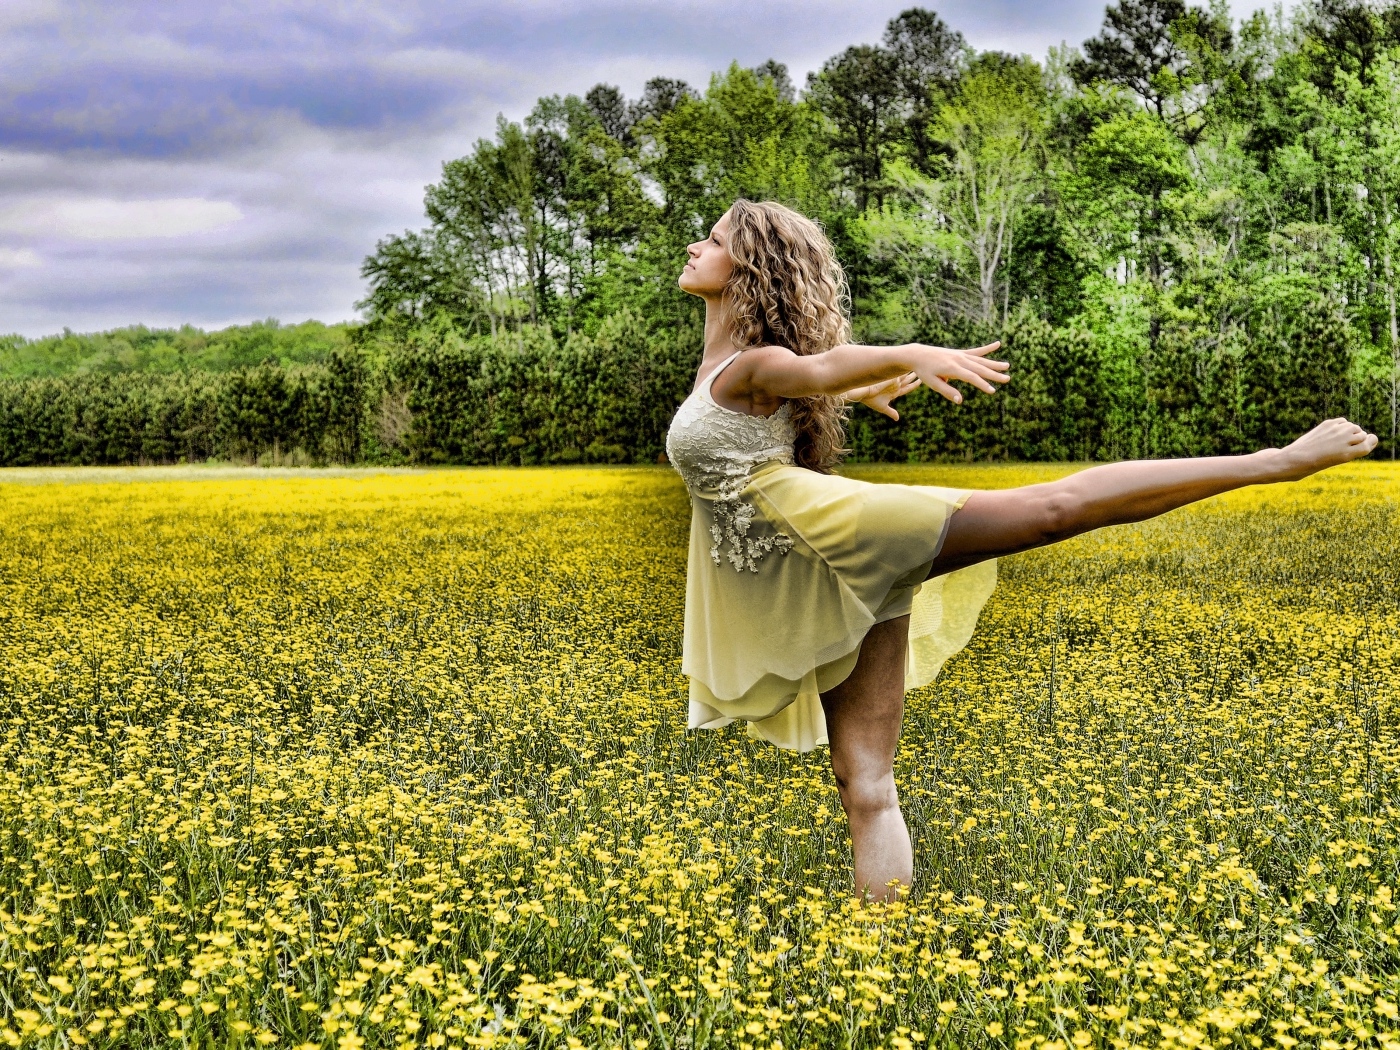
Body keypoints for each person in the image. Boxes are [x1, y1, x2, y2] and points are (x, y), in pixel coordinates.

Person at [664, 198, 1378, 905]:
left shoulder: (754, 364)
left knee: (1051, 509)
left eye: (715, 240)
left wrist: (904, 355)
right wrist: (874, 381)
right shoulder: (725, 367)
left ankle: (1273, 460)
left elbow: (820, 368)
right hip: (809, 571)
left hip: (829, 534)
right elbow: (813, 380)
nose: (696, 246)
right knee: (863, 779)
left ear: (748, 268)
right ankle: (877, 954)